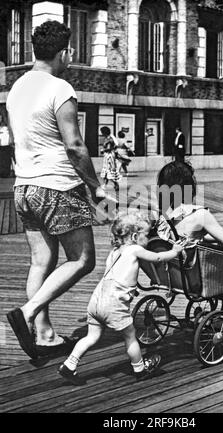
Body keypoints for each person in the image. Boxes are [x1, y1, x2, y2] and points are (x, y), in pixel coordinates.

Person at [5, 20, 106, 359]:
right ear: (65, 53)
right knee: (83, 259)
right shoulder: (59, 88)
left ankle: (45, 336)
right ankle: (29, 312)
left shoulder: (16, 88)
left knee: (41, 262)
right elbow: (75, 146)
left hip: (25, 187)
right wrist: (97, 188)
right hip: (58, 186)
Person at [58, 211, 183, 385]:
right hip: (114, 304)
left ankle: (69, 365)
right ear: (134, 236)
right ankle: (140, 369)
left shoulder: (114, 252)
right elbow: (158, 257)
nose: (147, 239)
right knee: (130, 335)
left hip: (96, 299)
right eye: (145, 235)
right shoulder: (135, 249)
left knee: (91, 337)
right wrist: (175, 251)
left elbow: (120, 275)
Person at [100, 126, 121, 191]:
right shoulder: (110, 138)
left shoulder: (109, 139)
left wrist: (103, 150)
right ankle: (108, 184)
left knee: (108, 169)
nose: (101, 133)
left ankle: (113, 184)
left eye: (102, 132)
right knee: (108, 170)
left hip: (109, 155)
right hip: (109, 155)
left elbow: (109, 148)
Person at [0, 111, 13, 177]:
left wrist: (10, 140)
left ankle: (6, 172)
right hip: (1, 145)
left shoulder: (7, 127)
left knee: (6, 159)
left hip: (6, 145)